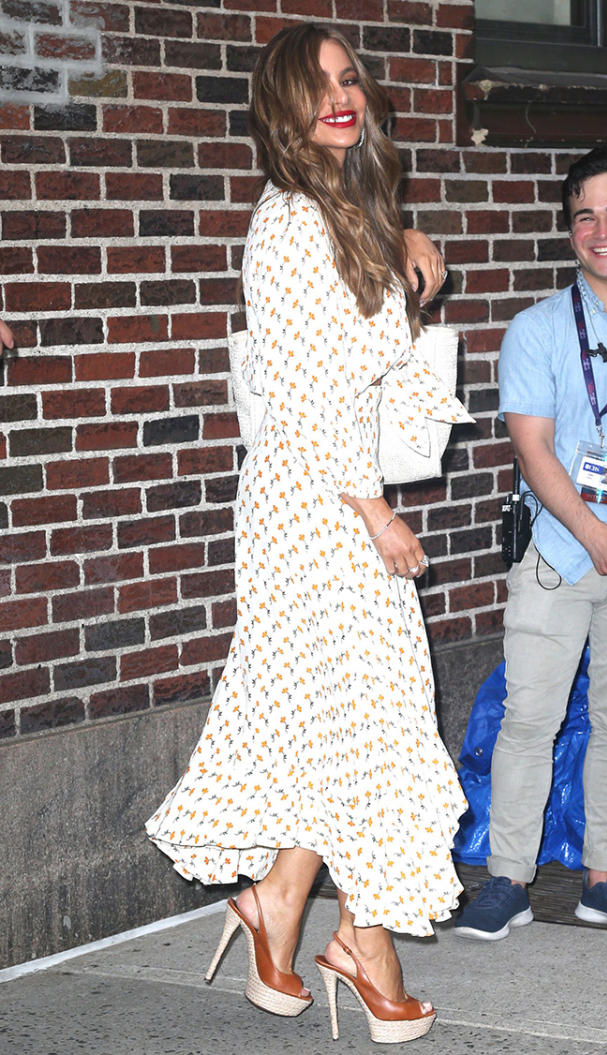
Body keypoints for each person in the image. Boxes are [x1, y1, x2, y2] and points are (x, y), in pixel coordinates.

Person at [146, 23, 466, 1043]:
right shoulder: (287, 223)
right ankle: (359, 946)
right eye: (317, 85)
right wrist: (372, 506)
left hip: (326, 497)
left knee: (349, 723)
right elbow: (307, 392)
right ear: (280, 110)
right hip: (317, 503)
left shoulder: (343, 211)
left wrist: (405, 249)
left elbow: (356, 341)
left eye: (348, 78)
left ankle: (284, 907)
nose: (342, 96)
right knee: (370, 720)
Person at [455, 146, 607, 942]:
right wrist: (595, 535)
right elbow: (533, 450)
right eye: (585, 216)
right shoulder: (534, 330)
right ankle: (509, 882)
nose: (602, 230)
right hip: (560, 557)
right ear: (570, 232)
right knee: (530, 719)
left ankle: (606, 879)